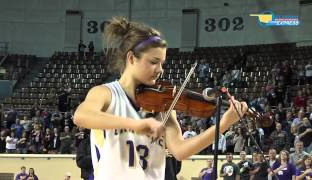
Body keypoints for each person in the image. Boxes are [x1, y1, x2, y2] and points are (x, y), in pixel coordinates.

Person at [73, 16, 248, 180]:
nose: (160, 69)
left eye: (162, 63)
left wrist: (223, 124)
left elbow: (180, 151)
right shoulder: (105, 93)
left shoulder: (162, 105)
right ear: (131, 58)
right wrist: (136, 124)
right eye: (153, 62)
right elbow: (81, 116)